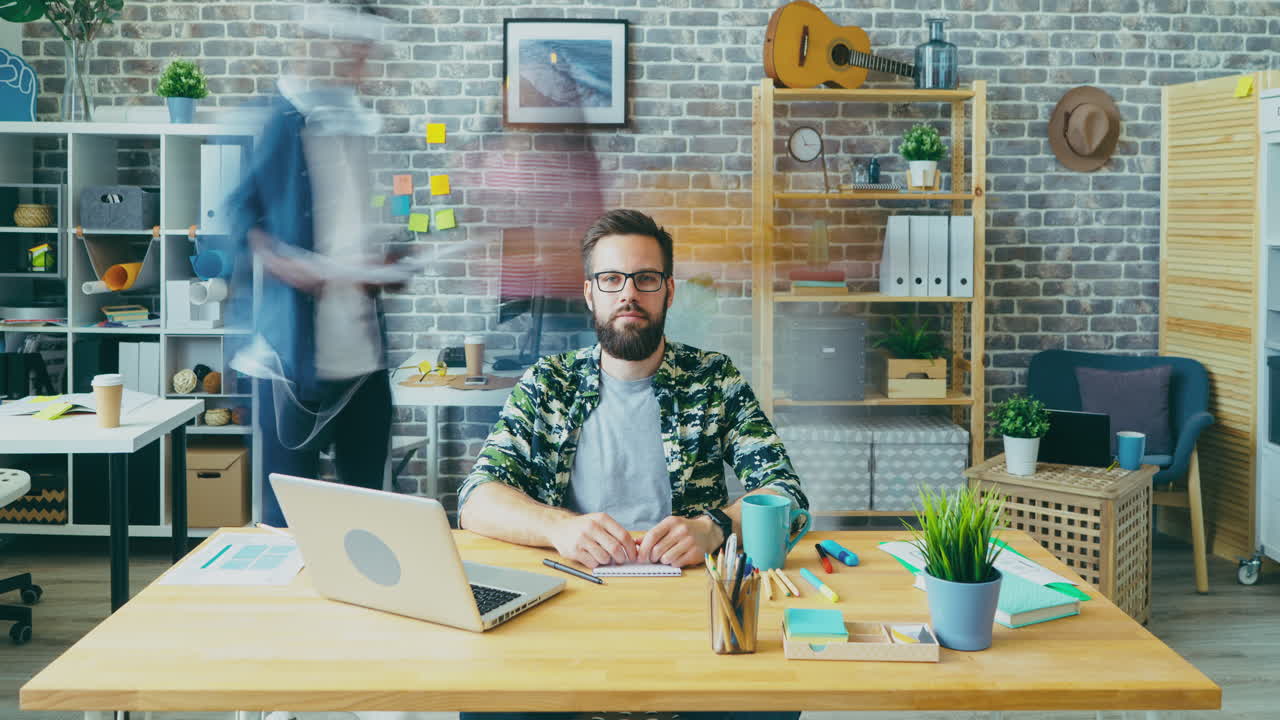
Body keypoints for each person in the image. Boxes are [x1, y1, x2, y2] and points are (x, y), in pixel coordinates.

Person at [458, 209, 804, 720]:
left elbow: (786, 493)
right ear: (589, 292)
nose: (628, 294)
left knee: (774, 702)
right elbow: (477, 498)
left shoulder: (713, 379)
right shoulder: (549, 382)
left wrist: (714, 527)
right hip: (569, 597)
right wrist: (559, 527)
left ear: (669, 290)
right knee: (486, 705)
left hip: (690, 604)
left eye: (645, 279)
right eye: (611, 279)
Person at [227, 3, 402, 528]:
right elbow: (237, 217)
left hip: (363, 358)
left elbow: (355, 229)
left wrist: (387, 263)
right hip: (293, 363)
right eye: (356, 50)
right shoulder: (278, 120)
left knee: (370, 516)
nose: (364, 62)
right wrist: (285, 264)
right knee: (288, 524)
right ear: (326, 45)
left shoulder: (356, 122)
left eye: (367, 51)